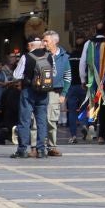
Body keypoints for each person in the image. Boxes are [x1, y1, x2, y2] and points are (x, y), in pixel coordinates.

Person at [13, 23, 62, 158]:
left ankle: (22, 150)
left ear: (30, 45)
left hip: (28, 91)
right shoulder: (49, 56)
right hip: (44, 92)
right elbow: (54, 73)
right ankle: (41, 150)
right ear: (40, 44)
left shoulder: (26, 57)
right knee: (41, 121)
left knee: (24, 121)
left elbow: (16, 75)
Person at [43, 32, 72, 144]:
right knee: (40, 119)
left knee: (52, 120)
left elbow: (68, 76)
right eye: (43, 41)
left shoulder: (64, 57)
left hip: (55, 92)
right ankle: (40, 143)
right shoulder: (42, 55)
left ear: (55, 41)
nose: (44, 43)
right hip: (41, 91)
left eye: (46, 41)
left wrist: (63, 94)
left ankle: (52, 145)